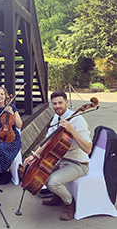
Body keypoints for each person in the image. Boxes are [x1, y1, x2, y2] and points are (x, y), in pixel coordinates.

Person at [23, 90, 92, 221]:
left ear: (67, 102)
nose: (57, 106)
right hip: (60, 159)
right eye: (54, 103)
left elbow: (88, 149)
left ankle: (70, 203)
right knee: (37, 171)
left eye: (60, 103)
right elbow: (48, 140)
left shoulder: (78, 120)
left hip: (78, 163)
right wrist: (34, 155)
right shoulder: (57, 117)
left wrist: (72, 130)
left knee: (52, 182)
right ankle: (58, 197)